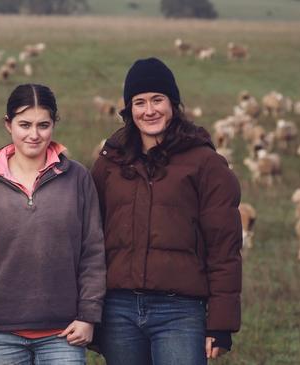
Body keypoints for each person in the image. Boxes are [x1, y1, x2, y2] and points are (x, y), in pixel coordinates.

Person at [91, 57, 242, 365]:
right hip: (119, 309)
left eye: (157, 100)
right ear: (129, 109)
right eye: (139, 102)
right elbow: (89, 238)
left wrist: (221, 322)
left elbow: (224, 246)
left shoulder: (205, 163)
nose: (149, 111)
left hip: (180, 312)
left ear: (173, 103)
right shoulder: (110, 163)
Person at [0, 83, 106, 365]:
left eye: (43, 125)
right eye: (24, 124)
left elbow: (92, 253)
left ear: (54, 125)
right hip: (1, 334)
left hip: (64, 333)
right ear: (8, 124)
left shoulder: (77, 178)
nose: (34, 135)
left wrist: (88, 316)